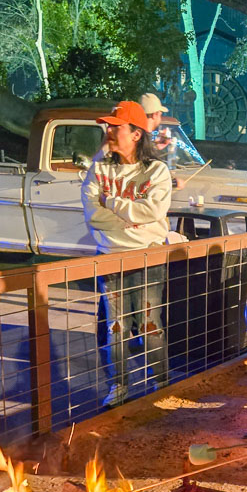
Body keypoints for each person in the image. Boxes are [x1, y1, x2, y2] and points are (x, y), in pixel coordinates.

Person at [81, 99, 173, 403]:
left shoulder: (157, 171)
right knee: (116, 327)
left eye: (115, 127)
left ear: (135, 134)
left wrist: (111, 202)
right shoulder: (99, 169)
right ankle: (119, 386)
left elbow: (154, 210)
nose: (108, 131)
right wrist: (134, 217)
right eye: (108, 126)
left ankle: (162, 382)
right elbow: (93, 215)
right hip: (110, 256)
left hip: (148, 257)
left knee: (150, 324)